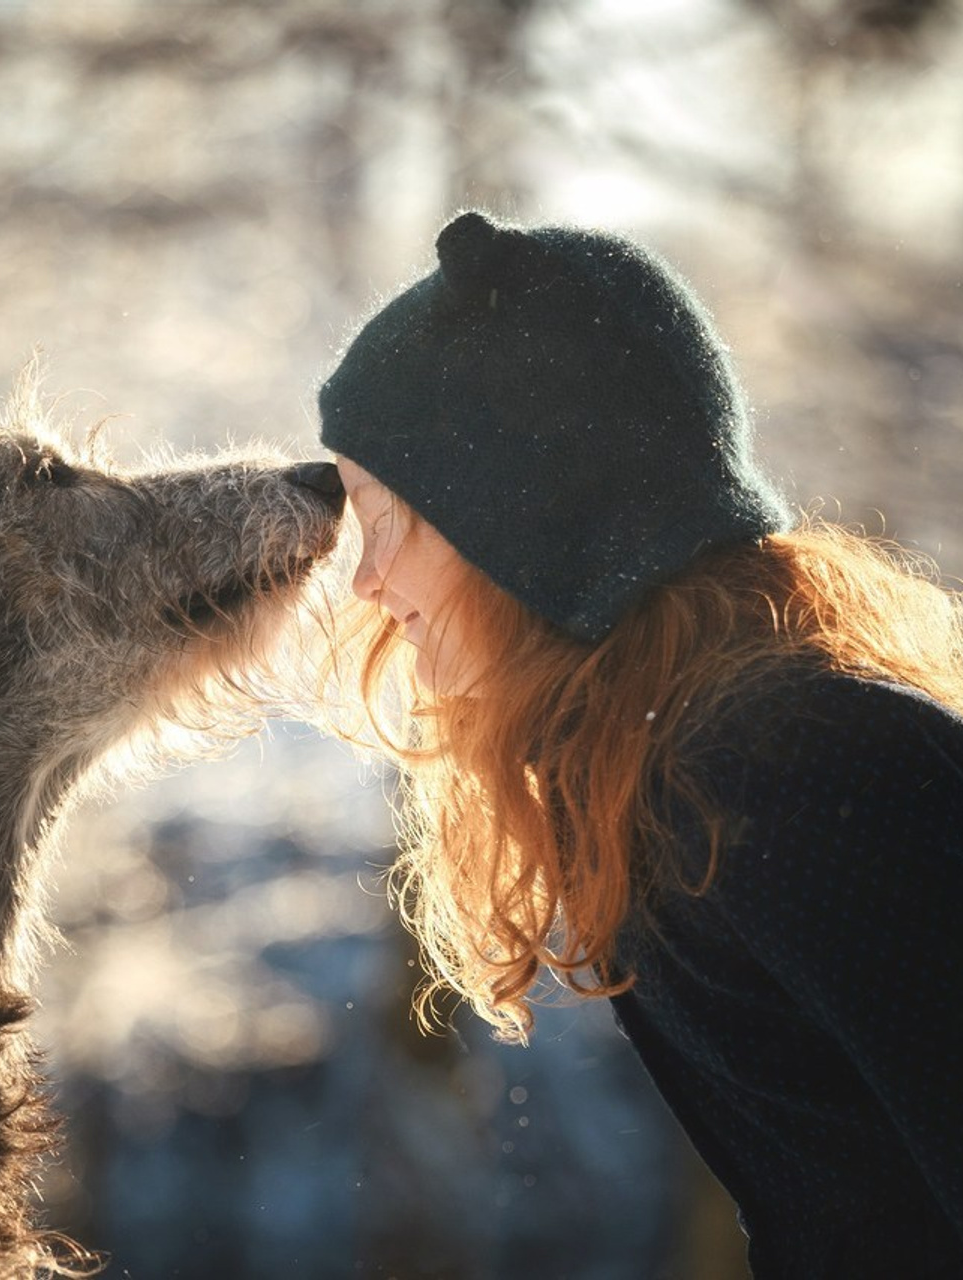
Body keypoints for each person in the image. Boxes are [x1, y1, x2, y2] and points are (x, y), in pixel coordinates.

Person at [316, 210, 963, 1278]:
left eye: (384, 514)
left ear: (519, 517)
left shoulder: (799, 774)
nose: (366, 580)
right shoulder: (661, 775)